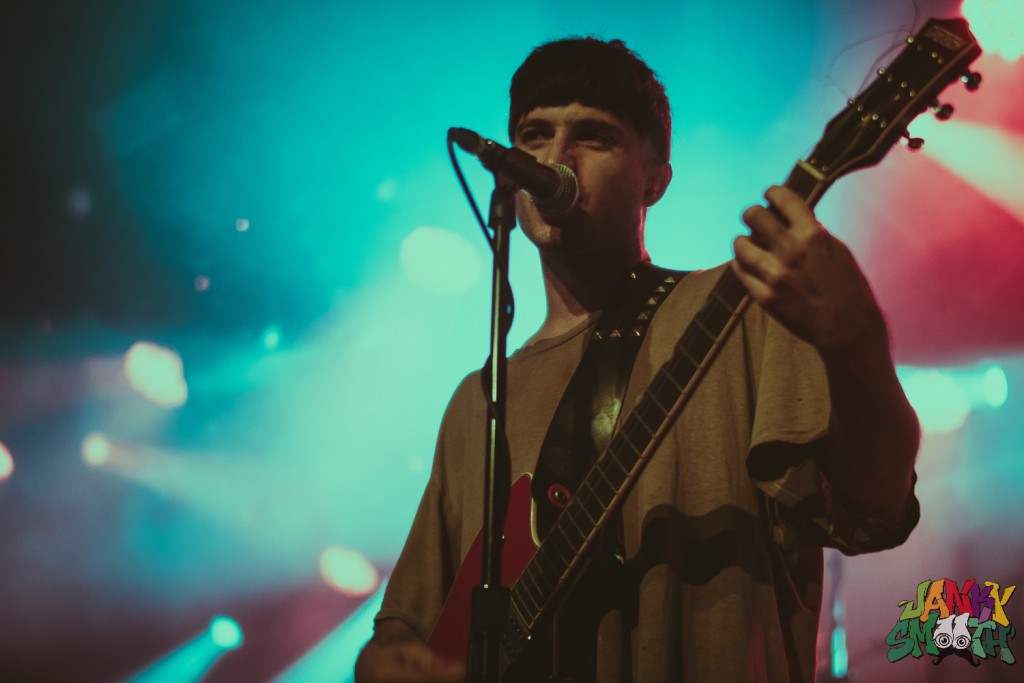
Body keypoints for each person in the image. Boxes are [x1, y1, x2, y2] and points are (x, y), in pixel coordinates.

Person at [355, 37, 920, 682]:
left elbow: (873, 511)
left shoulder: (744, 310)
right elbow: (405, 625)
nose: (555, 158)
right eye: (534, 136)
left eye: (592, 137)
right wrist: (381, 663)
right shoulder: (479, 401)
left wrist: (858, 343)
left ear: (655, 179)